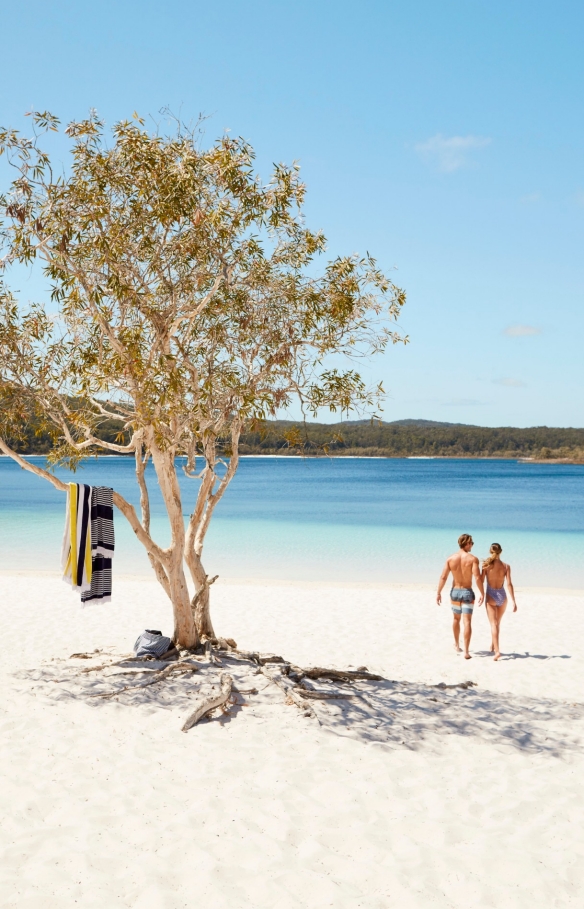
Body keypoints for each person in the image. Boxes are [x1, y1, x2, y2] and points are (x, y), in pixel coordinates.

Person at [436, 533, 484, 659]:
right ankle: (466, 652)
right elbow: (477, 577)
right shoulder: (473, 559)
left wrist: (438, 592)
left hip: (455, 592)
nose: (472, 545)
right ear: (467, 543)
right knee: (467, 621)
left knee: (456, 619)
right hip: (467, 592)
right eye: (472, 543)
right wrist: (482, 592)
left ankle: (457, 645)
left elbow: (443, 577)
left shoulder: (450, 559)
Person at [481, 543, 517, 661]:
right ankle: (493, 645)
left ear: (490, 551)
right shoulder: (506, 566)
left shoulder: (486, 565)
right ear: (501, 552)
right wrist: (513, 601)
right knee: (497, 623)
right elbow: (509, 584)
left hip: (491, 595)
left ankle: (497, 651)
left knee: (493, 624)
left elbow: (480, 581)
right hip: (502, 596)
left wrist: (481, 594)